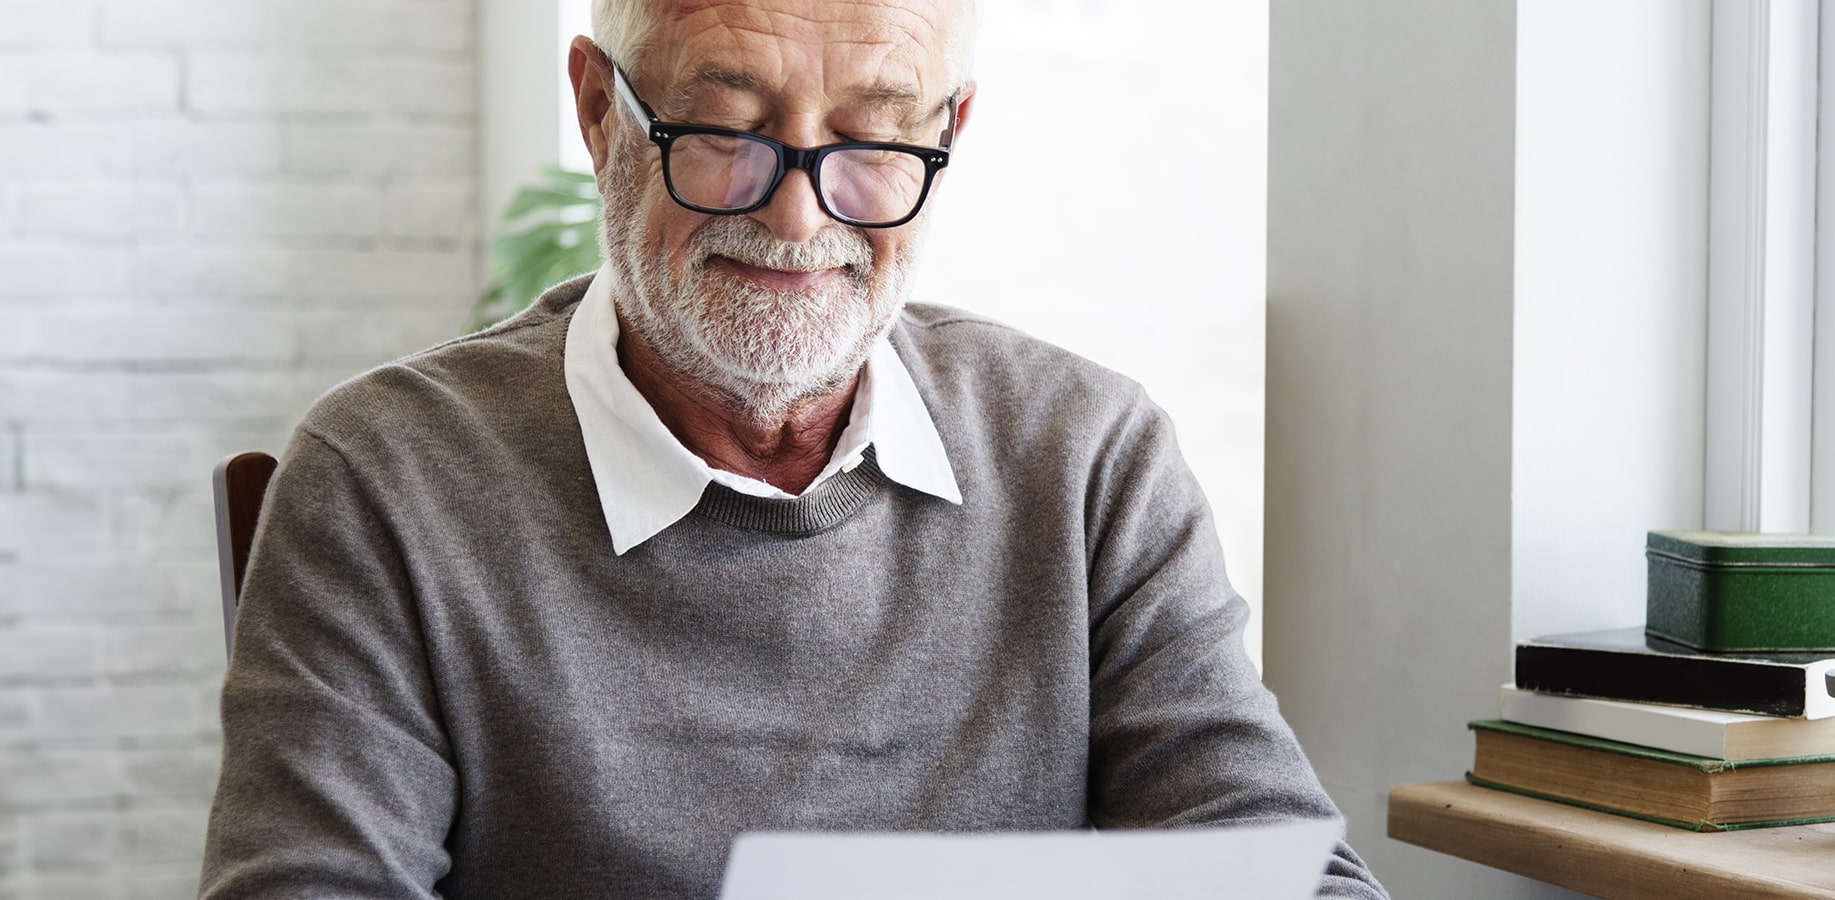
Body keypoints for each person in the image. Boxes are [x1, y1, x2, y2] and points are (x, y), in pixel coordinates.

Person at [197, 0, 1387, 897]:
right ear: (601, 109)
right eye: (725, 129)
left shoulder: (1087, 457)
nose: (799, 215)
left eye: (875, 140)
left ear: (951, 132)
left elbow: (1284, 873)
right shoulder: (388, 479)